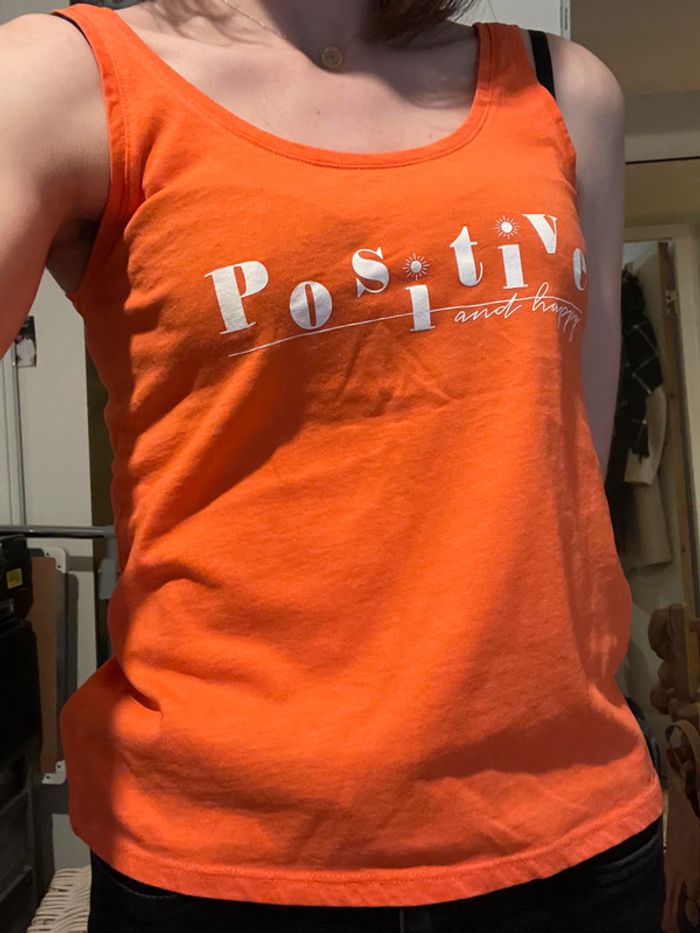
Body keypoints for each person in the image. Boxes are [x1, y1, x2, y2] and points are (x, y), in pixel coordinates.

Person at [0, 1, 666, 930]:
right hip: (224, 864)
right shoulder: (59, 79)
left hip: (572, 839)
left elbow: (568, 468)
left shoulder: (565, 90)